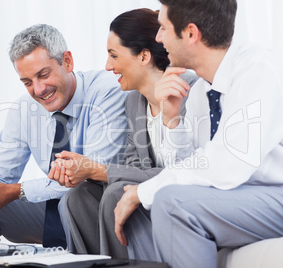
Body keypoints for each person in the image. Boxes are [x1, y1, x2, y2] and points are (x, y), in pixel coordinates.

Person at [114, 0, 283, 267]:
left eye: (163, 28)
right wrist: (173, 120)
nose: (158, 38)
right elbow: (192, 167)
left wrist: (142, 191)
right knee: (152, 203)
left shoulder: (258, 71)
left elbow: (226, 166)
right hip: (252, 195)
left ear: (191, 34)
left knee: (169, 202)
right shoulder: (203, 92)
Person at [0, 24, 128, 249]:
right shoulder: (25, 109)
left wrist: (19, 191)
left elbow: (90, 173)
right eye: (27, 82)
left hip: (98, 209)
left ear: (67, 61)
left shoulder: (106, 91)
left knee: (74, 197)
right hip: (53, 212)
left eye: (43, 75)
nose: (38, 90)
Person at [48, 9, 198, 258]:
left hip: (181, 198)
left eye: (113, 55)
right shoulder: (134, 102)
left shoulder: (191, 91)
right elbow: (132, 166)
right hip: (151, 196)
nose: (108, 66)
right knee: (78, 197)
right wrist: (85, 171)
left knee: (117, 193)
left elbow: (190, 169)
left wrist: (99, 170)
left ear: (143, 56)